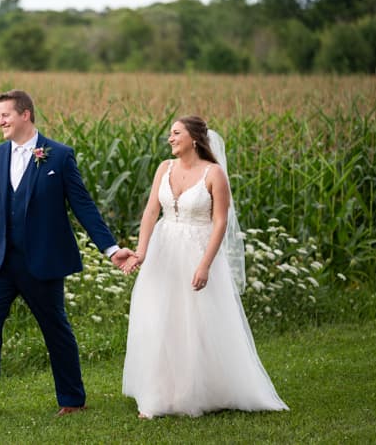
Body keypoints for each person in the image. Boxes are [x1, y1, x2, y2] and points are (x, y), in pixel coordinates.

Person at [0, 89, 133, 422]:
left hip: (42, 263)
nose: (0, 122)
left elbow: (84, 206)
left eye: (5, 115)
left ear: (26, 114)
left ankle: (72, 400)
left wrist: (111, 249)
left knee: (56, 330)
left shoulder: (59, 156)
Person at [120, 116, 288, 419]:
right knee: (159, 316)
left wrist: (205, 265)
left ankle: (199, 390)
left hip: (197, 249)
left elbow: (220, 221)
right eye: (170, 133)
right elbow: (151, 211)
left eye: (176, 133)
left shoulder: (214, 173)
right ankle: (157, 394)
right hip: (164, 248)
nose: (170, 138)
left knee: (195, 320)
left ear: (194, 138)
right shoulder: (164, 168)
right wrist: (141, 252)